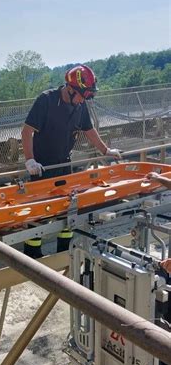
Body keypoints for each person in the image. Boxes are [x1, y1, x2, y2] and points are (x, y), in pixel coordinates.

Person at [21, 64, 121, 258]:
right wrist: (30, 160)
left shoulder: (79, 105)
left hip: (64, 164)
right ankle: (33, 255)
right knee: (40, 214)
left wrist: (106, 150)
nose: (85, 100)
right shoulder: (46, 100)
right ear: (70, 89)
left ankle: (64, 252)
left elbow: (89, 130)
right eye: (84, 95)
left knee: (68, 210)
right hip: (41, 167)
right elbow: (27, 131)